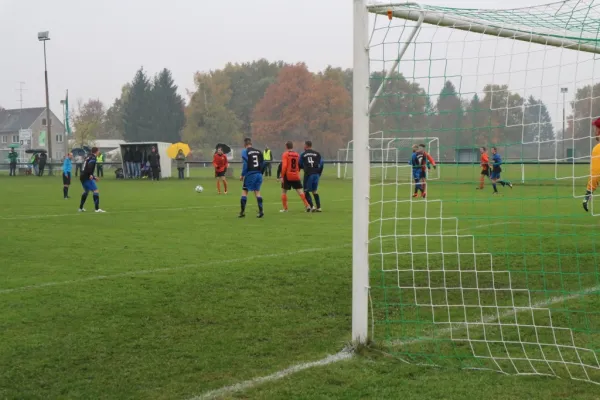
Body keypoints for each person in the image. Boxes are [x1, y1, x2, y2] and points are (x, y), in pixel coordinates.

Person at [279, 141, 310, 212]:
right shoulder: (297, 154)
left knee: (284, 191)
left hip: (287, 175)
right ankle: (307, 205)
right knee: (300, 191)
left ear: (286, 147)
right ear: (292, 146)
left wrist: (282, 176)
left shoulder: (285, 154)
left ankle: (285, 208)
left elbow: (284, 166)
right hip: (295, 175)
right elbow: (299, 165)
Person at [239, 137, 264, 218]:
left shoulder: (245, 151)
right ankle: (261, 211)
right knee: (257, 192)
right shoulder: (259, 151)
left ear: (244, 145)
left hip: (250, 174)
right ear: (251, 144)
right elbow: (263, 164)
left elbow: (245, 164)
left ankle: (242, 212)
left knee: (244, 191)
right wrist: (260, 172)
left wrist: (242, 175)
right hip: (259, 174)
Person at [299, 140, 324, 212]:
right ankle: (319, 207)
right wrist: (319, 173)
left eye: (304, 145)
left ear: (306, 146)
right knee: (314, 191)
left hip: (309, 174)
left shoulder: (303, 154)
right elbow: (322, 163)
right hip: (316, 174)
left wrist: (304, 168)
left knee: (306, 191)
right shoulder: (317, 154)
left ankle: (312, 206)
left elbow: (299, 164)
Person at [79, 147, 105, 213]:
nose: (99, 152)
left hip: (82, 176)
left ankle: (80, 208)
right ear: (96, 151)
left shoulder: (88, 157)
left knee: (86, 191)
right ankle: (97, 209)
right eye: (98, 151)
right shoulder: (93, 158)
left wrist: (93, 176)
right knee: (95, 191)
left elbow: (85, 167)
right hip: (87, 176)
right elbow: (90, 166)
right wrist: (91, 175)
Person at [583, 118, 600, 211]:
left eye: (595, 127)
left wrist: (588, 193)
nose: (594, 130)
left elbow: (596, 174)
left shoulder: (598, 149)